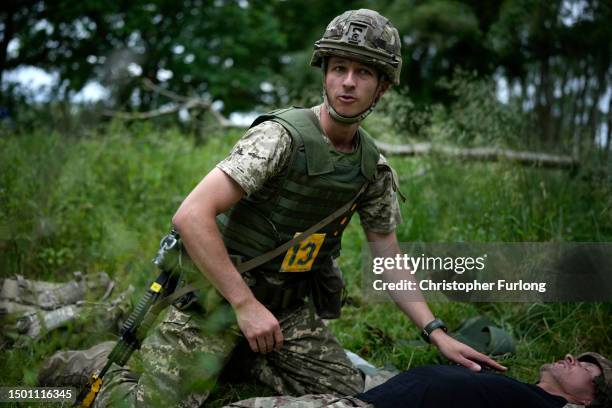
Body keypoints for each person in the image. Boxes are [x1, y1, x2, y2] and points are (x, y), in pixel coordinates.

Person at [39, 9, 504, 407]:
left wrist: (436, 332)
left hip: (283, 311)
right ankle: (86, 365)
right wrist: (243, 305)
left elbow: (386, 253)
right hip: (215, 301)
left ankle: (228, 365)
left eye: (363, 73)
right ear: (323, 71)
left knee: (347, 395)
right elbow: (191, 215)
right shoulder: (280, 138)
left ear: (382, 87)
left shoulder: (371, 168)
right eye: (339, 67)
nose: (347, 82)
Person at [226, 352, 612, 408]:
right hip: (380, 383)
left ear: (588, 401)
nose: (571, 359)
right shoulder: (531, 395)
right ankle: (242, 360)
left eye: (586, 368)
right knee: (287, 356)